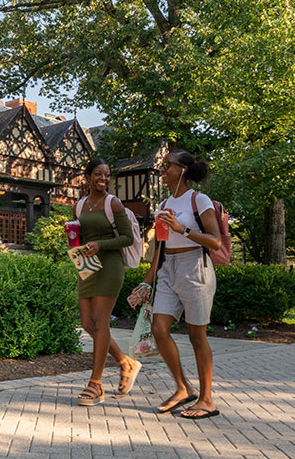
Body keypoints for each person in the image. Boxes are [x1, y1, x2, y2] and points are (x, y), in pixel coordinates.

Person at [138, 150, 222, 419]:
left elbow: (216, 241)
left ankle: (207, 400)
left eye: (167, 167)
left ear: (183, 169)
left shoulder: (199, 200)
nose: (162, 171)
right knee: (158, 328)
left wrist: (182, 229)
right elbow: (160, 249)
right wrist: (146, 282)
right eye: (161, 167)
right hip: (168, 269)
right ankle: (183, 388)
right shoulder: (163, 204)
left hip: (195, 266)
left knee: (198, 336)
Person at [73, 158, 142, 406]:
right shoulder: (80, 205)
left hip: (110, 265)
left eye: (107, 175)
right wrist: (72, 236)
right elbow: (81, 237)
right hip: (87, 266)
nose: (103, 179)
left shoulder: (113, 203)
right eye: (98, 174)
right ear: (88, 176)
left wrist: (100, 245)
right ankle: (125, 362)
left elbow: (126, 238)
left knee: (101, 322)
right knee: (86, 323)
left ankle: (96, 385)